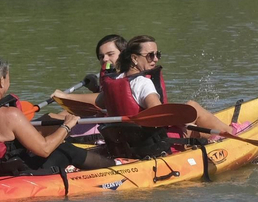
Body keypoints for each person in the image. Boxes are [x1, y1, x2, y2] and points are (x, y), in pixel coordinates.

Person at [0, 57, 111, 176]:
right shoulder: (11, 115)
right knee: (65, 149)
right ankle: (114, 167)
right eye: (8, 77)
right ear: (2, 81)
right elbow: (44, 150)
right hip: (13, 172)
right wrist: (67, 125)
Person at [91, 35, 235, 157]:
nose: (155, 59)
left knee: (189, 120)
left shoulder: (115, 81)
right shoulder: (143, 82)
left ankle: (219, 136)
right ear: (134, 58)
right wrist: (181, 121)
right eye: (150, 55)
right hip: (156, 144)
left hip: (128, 145)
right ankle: (232, 135)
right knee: (193, 107)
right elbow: (160, 114)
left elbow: (99, 102)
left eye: (157, 54)